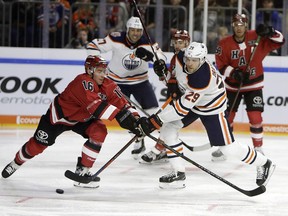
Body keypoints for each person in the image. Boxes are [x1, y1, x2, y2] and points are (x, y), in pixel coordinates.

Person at [136, 42, 276, 189]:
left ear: (202, 60)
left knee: (227, 148)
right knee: (168, 129)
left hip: (212, 107)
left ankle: (265, 163)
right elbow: (164, 60)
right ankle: (178, 174)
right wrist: (155, 60)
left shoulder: (202, 78)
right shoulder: (181, 57)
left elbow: (181, 109)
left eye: (194, 60)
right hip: (193, 102)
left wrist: (153, 121)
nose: (190, 63)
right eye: (188, 59)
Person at [1, 55, 142, 188]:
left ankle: (83, 170)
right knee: (37, 146)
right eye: (99, 71)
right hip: (59, 118)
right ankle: (16, 162)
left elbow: (123, 103)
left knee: (99, 131)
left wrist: (136, 119)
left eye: (104, 71)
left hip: (83, 118)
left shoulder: (108, 84)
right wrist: (125, 119)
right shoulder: (82, 82)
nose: (103, 74)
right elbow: (97, 107)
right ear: (89, 70)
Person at [86, 16, 167, 159]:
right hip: (117, 84)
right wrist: (96, 64)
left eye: (139, 30)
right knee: (126, 116)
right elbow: (92, 46)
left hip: (141, 82)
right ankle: (138, 138)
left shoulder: (148, 40)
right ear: (127, 30)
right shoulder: (116, 38)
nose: (136, 33)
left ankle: (163, 144)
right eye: (133, 30)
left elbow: (161, 58)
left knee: (153, 112)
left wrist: (152, 57)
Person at [211, 13, 285, 161]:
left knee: (255, 117)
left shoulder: (256, 36)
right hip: (232, 86)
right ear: (232, 26)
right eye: (236, 25)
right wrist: (234, 73)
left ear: (246, 25)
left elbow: (281, 41)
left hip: (254, 84)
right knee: (227, 117)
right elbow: (220, 65)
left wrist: (271, 32)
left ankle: (258, 148)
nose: (239, 28)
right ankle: (224, 146)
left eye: (242, 25)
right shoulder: (224, 43)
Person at [140, 29, 191, 163]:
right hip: (178, 98)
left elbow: (191, 81)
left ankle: (160, 149)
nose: (177, 45)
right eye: (175, 42)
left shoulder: (189, 58)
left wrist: (179, 87)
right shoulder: (176, 58)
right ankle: (162, 149)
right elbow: (170, 81)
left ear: (187, 43)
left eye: (181, 42)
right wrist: (161, 73)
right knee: (167, 123)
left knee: (169, 123)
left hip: (190, 100)